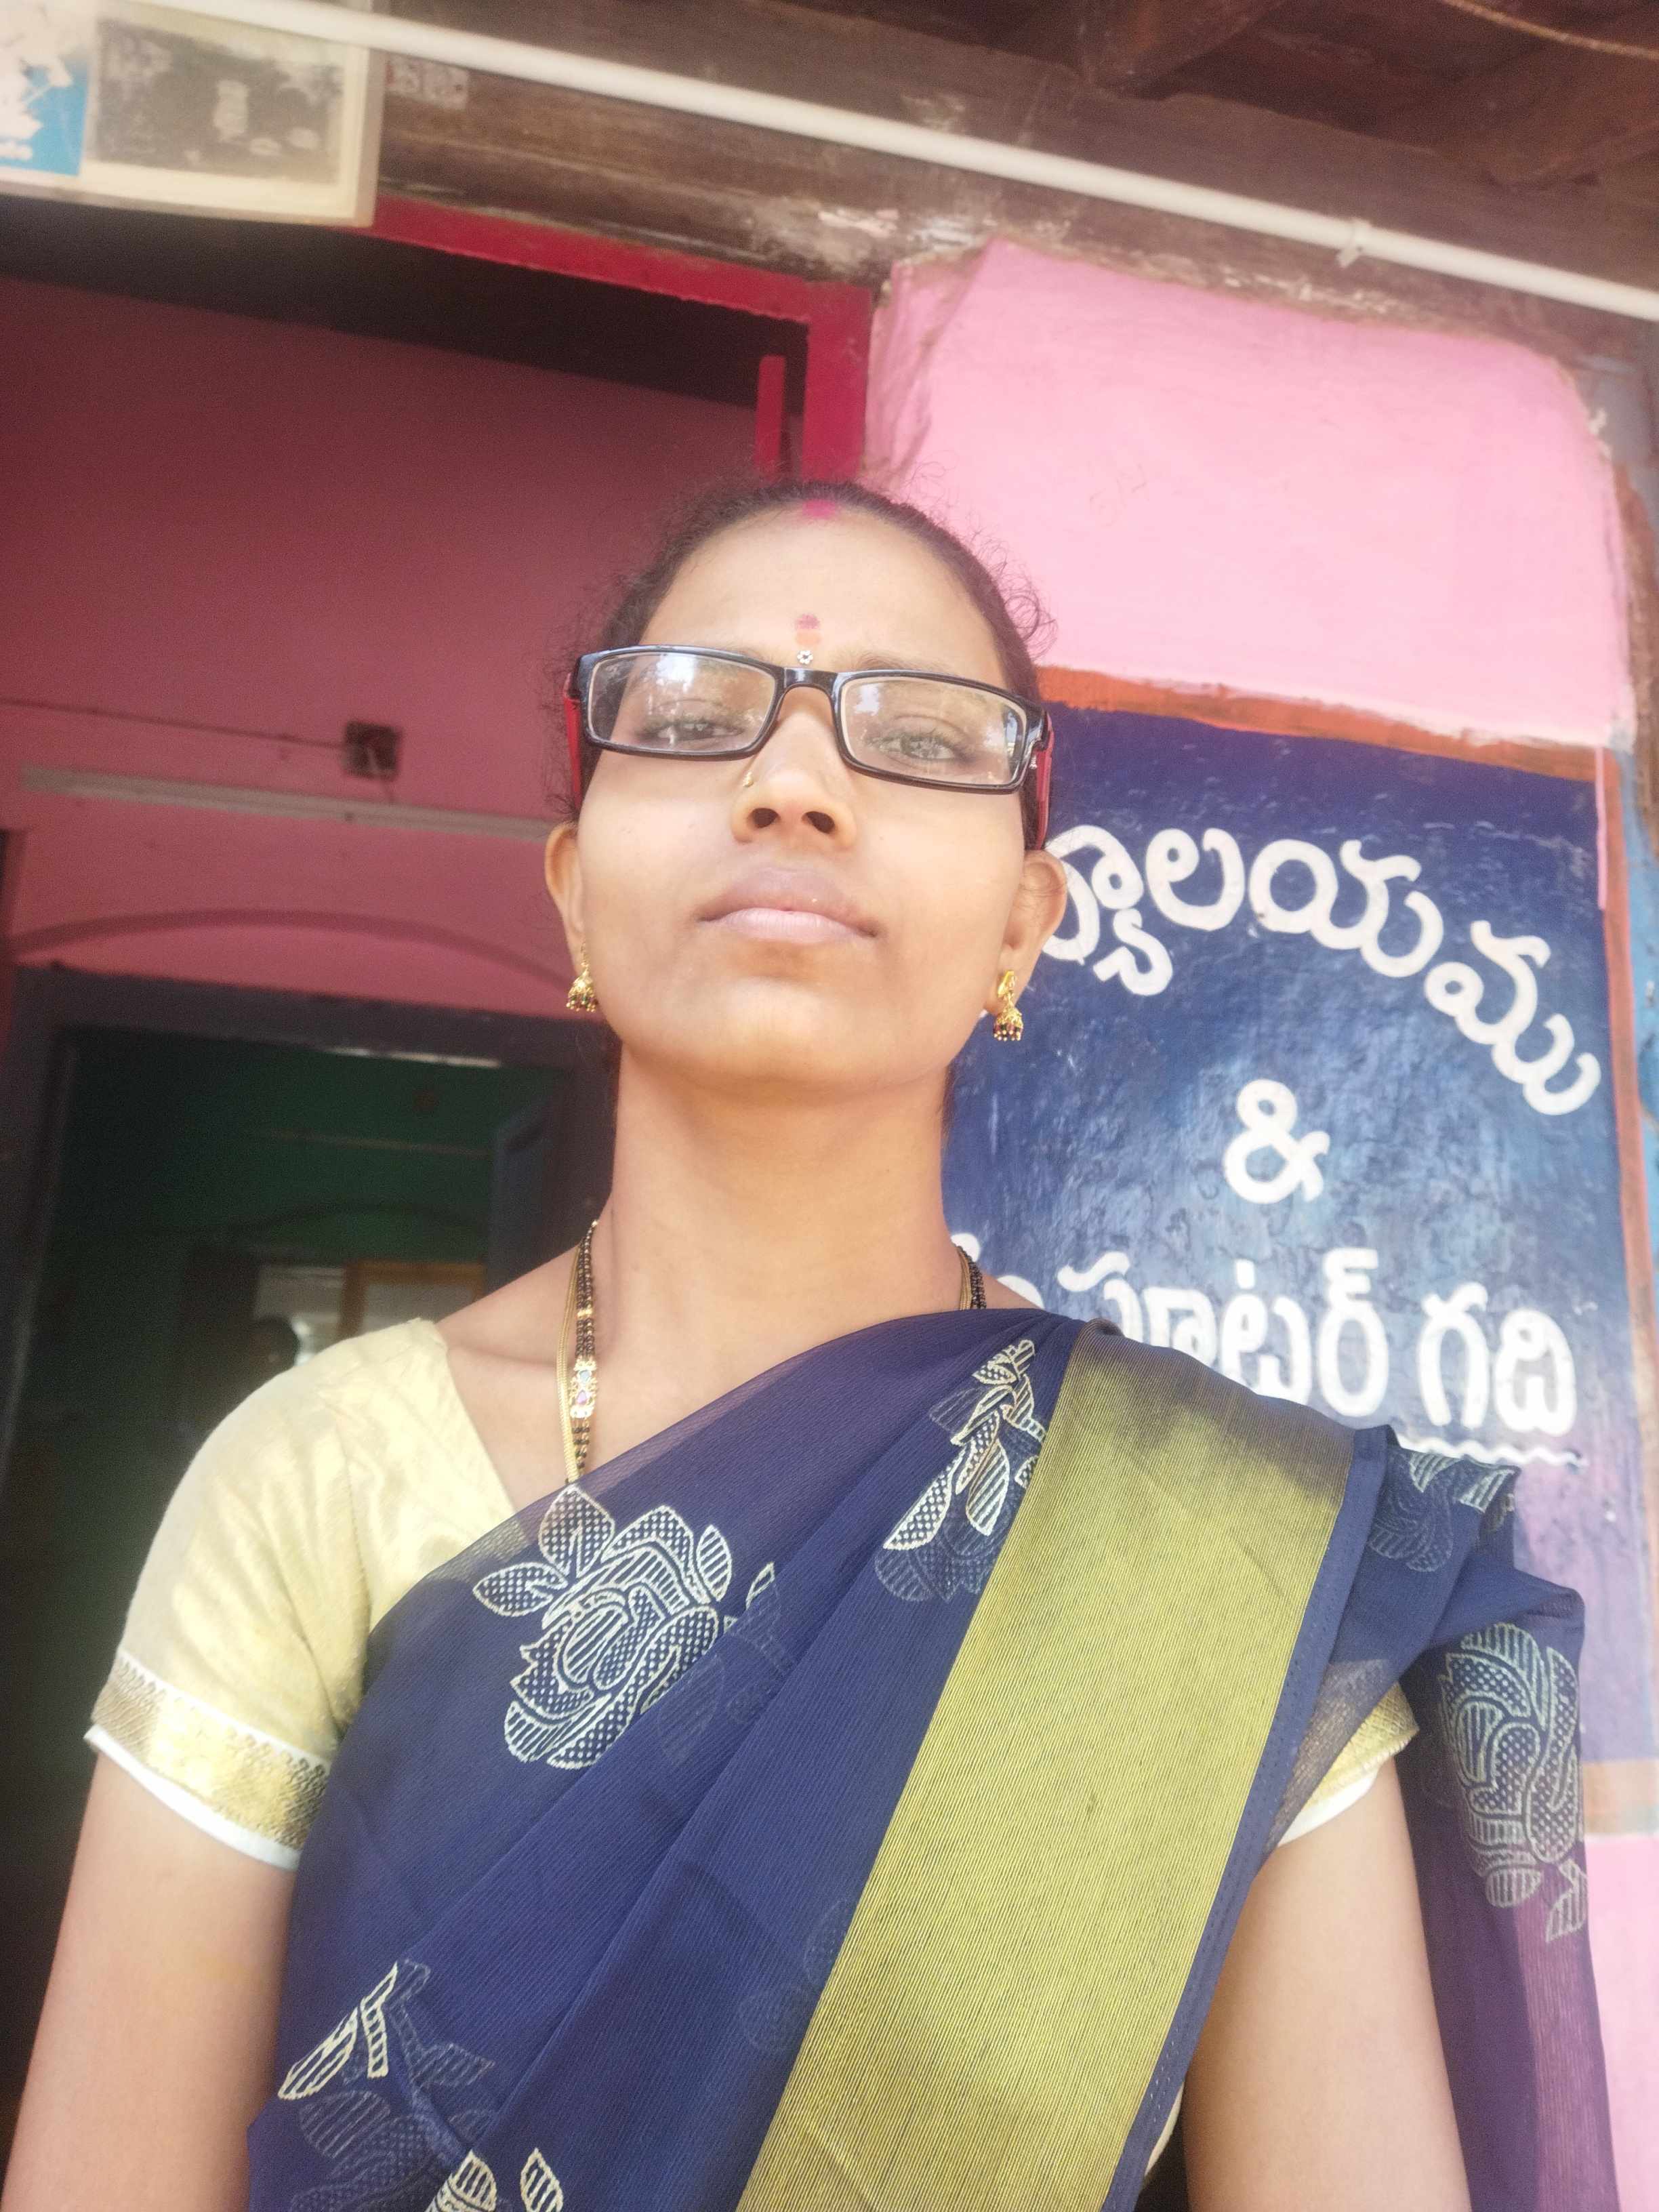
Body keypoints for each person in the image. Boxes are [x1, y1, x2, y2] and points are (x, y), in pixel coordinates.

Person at [5, 481, 1614, 2212]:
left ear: (1023, 924)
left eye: (918, 740)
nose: (792, 785)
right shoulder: (315, 1479)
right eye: (692, 719)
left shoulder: (1220, 1549)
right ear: (574, 892)